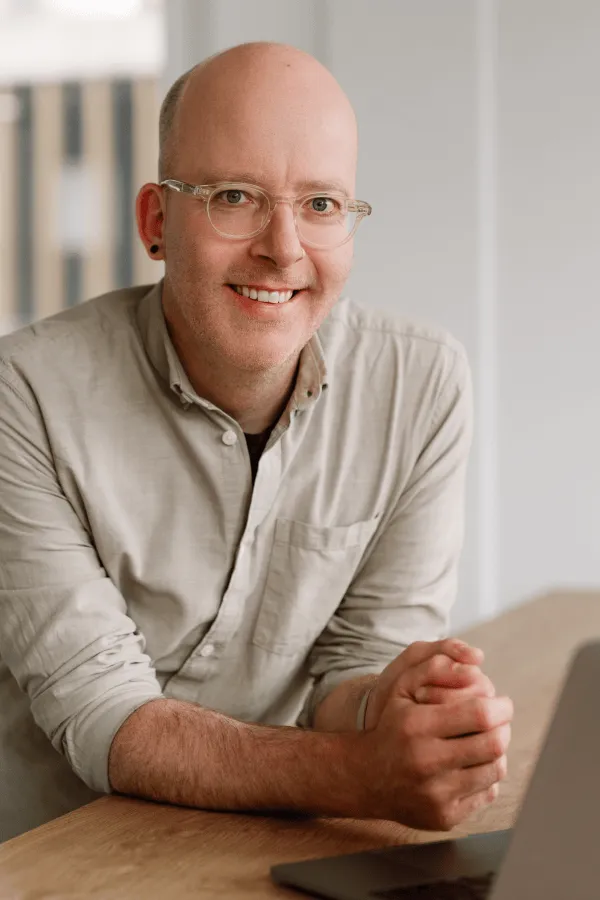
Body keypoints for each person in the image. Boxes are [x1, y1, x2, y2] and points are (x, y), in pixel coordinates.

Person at [0, 42, 512, 843]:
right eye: (235, 196)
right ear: (155, 222)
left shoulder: (422, 386)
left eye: (320, 205)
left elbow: (354, 668)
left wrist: (403, 707)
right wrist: (361, 774)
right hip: (52, 861)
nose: (283, 248)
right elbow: (104, 712)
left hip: (259, 850)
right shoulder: (23, 395)